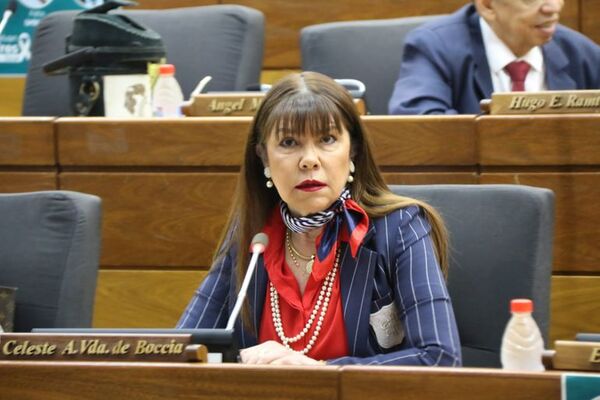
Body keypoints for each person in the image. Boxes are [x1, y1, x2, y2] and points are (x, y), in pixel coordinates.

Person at [178, 72, 461, 366]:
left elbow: (440, 357)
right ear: (264, 158)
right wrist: (235, 361)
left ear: (353, 150)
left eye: (327, 139)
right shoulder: (253, 234)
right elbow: (182, 350)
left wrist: (318, 371)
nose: (309, 160)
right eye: (289, 142)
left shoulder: (398, 227)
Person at [388, 0, 600, 115]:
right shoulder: (435, 46)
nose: (552, 7)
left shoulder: (581, 52)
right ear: (488, 5)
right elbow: (418, 120)